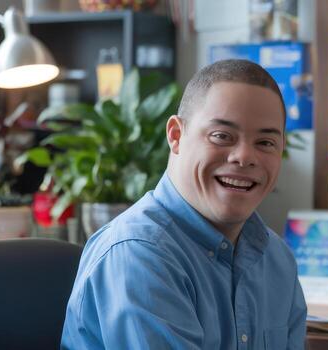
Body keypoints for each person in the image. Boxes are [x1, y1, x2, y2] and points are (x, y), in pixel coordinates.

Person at [61, 59, 307, 349]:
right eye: (222, 136)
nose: (244, 157)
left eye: (265, 142)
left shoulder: (276, 258)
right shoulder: (139, 254)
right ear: (176, 136)